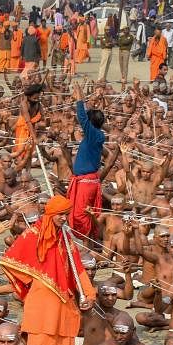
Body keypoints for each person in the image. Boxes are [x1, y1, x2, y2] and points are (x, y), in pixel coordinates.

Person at [0, 195, 95, 345]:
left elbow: (78, 269)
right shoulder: (32, 234)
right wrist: (33, 279)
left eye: (66, 214)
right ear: (50, 214)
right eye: (60, 214)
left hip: (63, 300)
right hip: (41, 300)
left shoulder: (66, 238)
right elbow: (8, 260)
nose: (64, 218)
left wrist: (89, 294)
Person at [68, 80, 105, 238]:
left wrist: (79, 98)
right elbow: (85, 116)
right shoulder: (96, 134)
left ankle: (86, 244)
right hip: (84, 181)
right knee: (83, 213)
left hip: (86, 183)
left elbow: (82, 116)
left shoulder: (93, 134)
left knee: (81, 215)